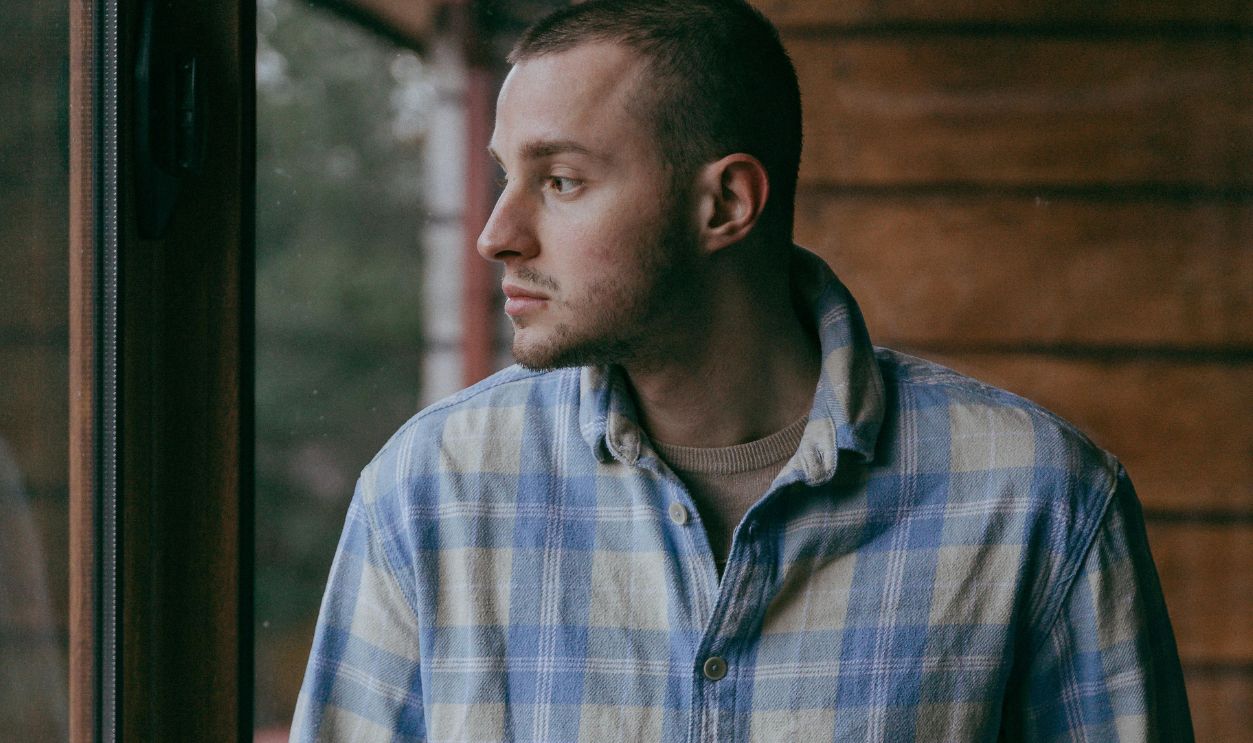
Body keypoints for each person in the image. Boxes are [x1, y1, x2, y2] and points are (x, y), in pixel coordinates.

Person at [292, 1, 1192, 740]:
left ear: (724, 202)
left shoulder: (1039, 501)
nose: (497, 233)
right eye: (503, 176)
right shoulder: (429, 491)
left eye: (560, 180)